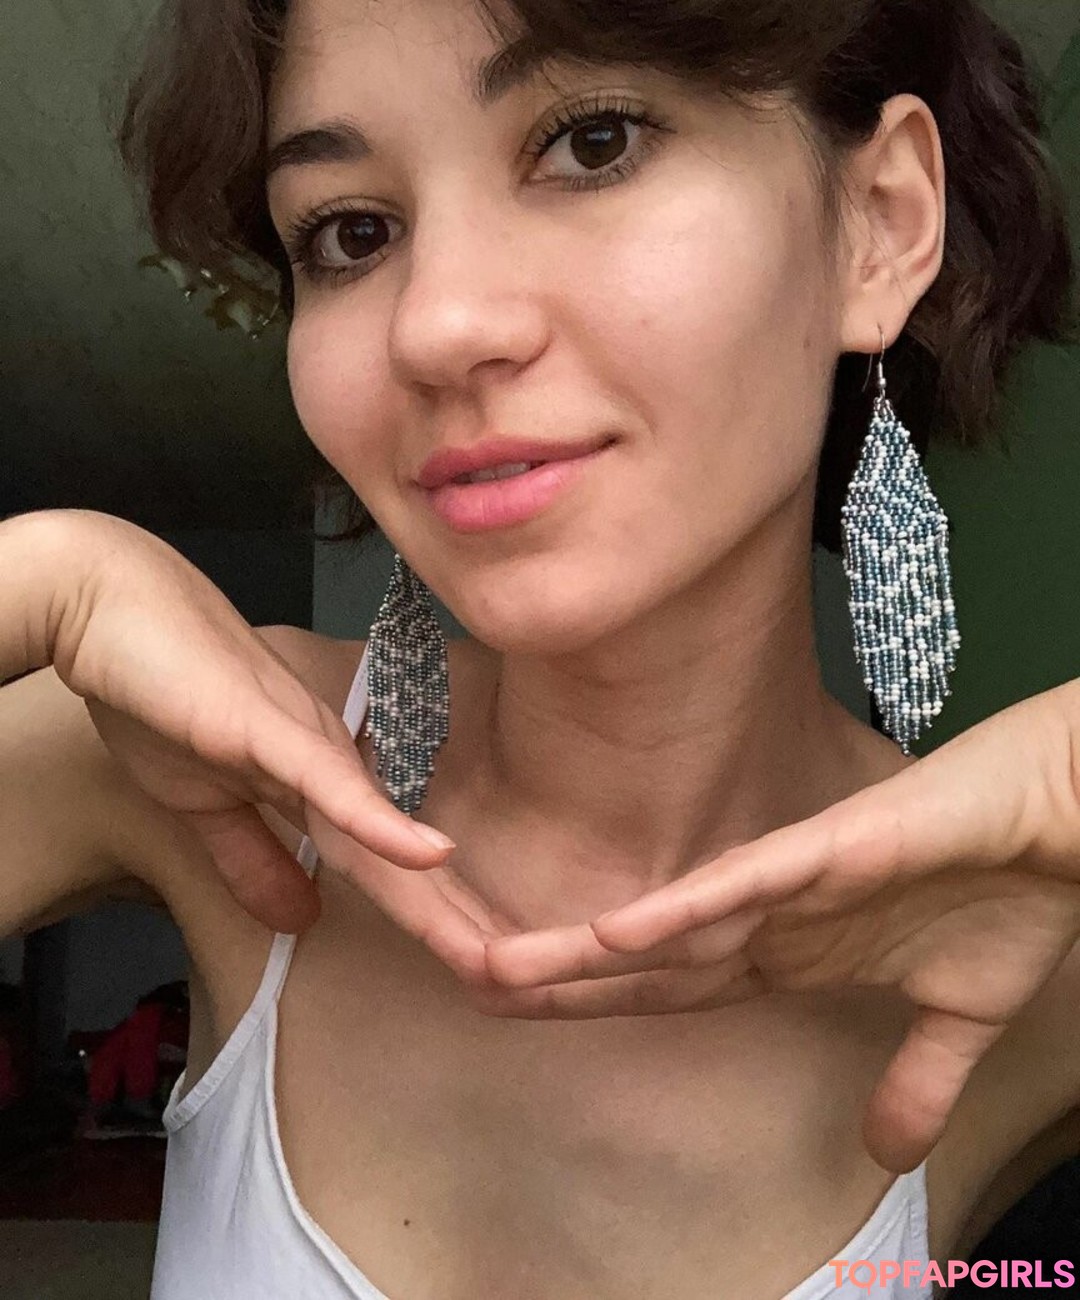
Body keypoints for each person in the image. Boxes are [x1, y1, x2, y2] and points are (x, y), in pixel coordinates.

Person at [3, 0, 1079, 1296]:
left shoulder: (1023, 947)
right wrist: (42, 581)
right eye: (352, 232)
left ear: (880, 223)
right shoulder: (208, 764)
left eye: (591, 142)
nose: (435, 327)